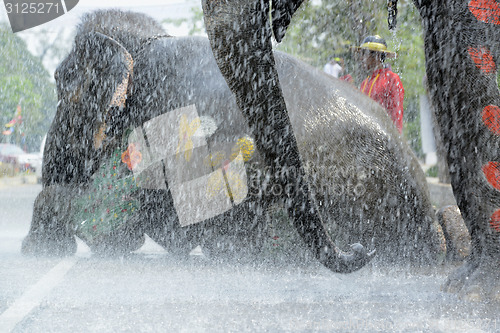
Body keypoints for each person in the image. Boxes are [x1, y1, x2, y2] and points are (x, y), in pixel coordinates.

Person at [355, 35, 404, 133]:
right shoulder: (364, 83)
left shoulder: (392, 79)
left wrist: (395, 140)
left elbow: (396, 114)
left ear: (376, 56)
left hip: (384, 135)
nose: (361, 58)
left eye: (364, 54)